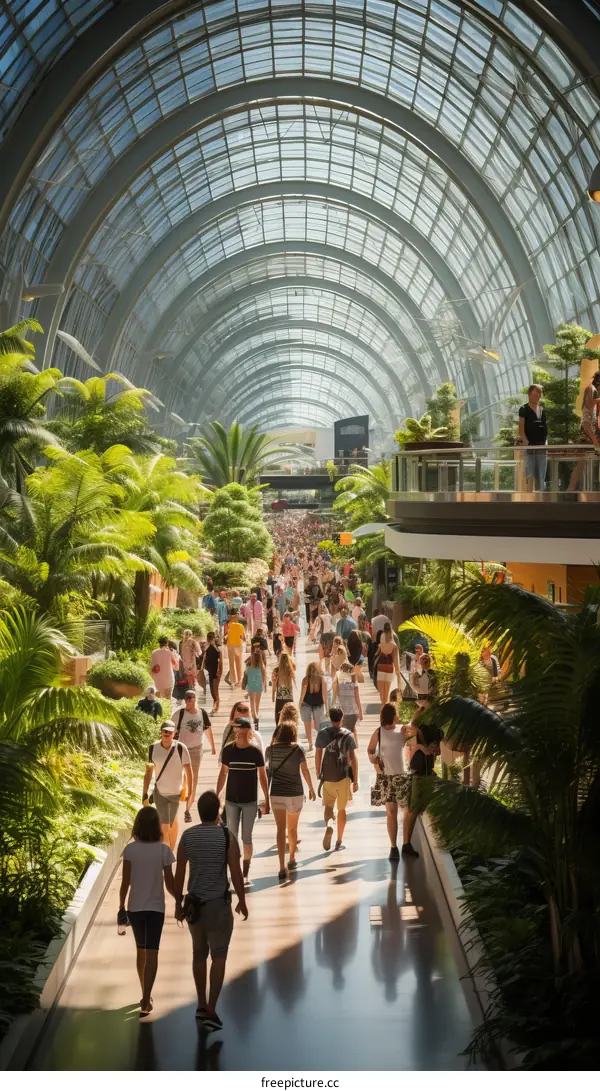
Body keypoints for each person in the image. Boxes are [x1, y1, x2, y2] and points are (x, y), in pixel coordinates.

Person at [174, 790, 248, 1030]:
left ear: (198, 811)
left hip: (194, 907)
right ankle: (211, 1009)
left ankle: (200, 1004)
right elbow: (236, 873)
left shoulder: (187, 837)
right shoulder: (227, 837)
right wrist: (242, 901)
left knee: (198, 954)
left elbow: (180, 873)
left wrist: (178, 903)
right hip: (219, 906)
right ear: (217, 811)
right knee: (219, 955)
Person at [119, 806, 176, 1016]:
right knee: (153, 952)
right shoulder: (163, 850)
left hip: (135, 908)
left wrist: (121, 906)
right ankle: (146, 997)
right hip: (156, 909)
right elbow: (170, 884)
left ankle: (144, 991)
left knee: (140, 951)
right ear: (156, 826)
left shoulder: (130, 850)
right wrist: (180, 900)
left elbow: (125, 882)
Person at [216, 717, 270, 883]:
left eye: (239, 728)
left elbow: (262, 775)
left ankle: (245, 872)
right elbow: (223, 773)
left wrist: (266, 799)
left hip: (249, 802)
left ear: (247, 730)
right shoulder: (228, 750)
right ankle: (234, 872)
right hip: (231, 801)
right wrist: (217, 796)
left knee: (247, 836)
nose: (236, 732)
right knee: (232, 837)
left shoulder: (255, 752)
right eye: (234, 729)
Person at [266, 719, 316, 881]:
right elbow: (305, 770)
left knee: (280, 830)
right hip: (294, 793)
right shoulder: (298, 750)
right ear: (294, 734)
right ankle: (292, 858)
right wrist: (311, 788)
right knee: (292, 829)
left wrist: (265, 796)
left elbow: (268, 773)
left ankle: (281, 867)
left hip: (277, 793)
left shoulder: (270, 750)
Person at [367, 703, 409, 861]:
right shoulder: (378, 732)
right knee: (391, 812)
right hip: (385, 777)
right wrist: (373, 759)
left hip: (401, 776)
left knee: (405, 811)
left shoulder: (402, 730)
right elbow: (370, 749)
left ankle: (406, 843)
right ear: (392, 715)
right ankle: (393, 847)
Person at [142, 721, 192, 849]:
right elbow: (148, 772)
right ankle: (166, 852)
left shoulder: (181, 748)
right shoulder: (153, 748)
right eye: (165, 731)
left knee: (173, 821)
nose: (167, 734)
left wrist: (190, 792)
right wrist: (145, 792)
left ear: (174, 733)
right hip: (160, 792)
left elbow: (189, 771)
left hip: (176, 792)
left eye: (170, 732)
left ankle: (171, 848)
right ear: (161, 732)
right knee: (164, 824)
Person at [315, 707, 358, 852]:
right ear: (342, 718)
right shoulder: (348, 735)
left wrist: (317, 772)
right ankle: (339, 840)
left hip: (328, 777)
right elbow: (353, 758)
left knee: (328, 807)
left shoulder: (322, 734)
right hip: (343, 777)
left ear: (330, 718)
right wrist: (356, 780)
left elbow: (318, 754)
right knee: (341, 810)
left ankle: (329, 825)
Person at [174, 691, 216, 822]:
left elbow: (207, 730)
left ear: (195, 699)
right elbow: (170, 730)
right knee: (178, 777)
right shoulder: (179, 714)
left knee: (194, 779)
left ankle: (187, 810)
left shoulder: (201, 713)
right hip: (181, 749)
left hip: (196, 750)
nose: (188, 701)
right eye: (186, 698)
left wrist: (213, 746)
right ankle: (178, 800)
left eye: (191, 698)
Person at [518, 383, 548, 491]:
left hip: (541, 445)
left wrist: (545, 442)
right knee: (529, 472)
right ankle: (529, 495)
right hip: (530, 446)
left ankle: (540, 495)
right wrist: (526, 442)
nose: (538, 396)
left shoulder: (541, 409)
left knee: (541, 473)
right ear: (530, 394)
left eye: (539, 394)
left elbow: (544, 426)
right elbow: (521, 427)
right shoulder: (524, 409)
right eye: (536, 394)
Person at [299, 660, 328, 751]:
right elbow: (325, 696)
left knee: (307, 726)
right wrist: (327, 709)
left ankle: (310, 743)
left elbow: (302, 695)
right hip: (319, 704)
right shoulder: (322, 680)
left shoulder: (305, 679)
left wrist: (299, 705)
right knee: (318, 726)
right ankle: (318, 744)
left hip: (306, 704)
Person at [332, 660, 363, 743]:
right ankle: (355, 746)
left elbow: (335, 696)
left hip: (343, 712)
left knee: (344, 732)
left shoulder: (338, 685)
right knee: (351, 730)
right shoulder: (354, 685)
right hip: (353, 712)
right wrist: (360, 712)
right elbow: (357, 699)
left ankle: (349, 748)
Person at [374, 622, 401, 706]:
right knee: (387, 693)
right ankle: (385, 709)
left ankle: (382, 708)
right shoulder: (394, 646)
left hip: (381, 666)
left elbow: (375, 655)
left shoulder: (380, 645)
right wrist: (398, 673)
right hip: (389, 668)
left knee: (381, 693)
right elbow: (396, 661)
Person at [245, 645, 267, 728]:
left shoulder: (250, 666)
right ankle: (256, 717)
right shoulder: (262, 667)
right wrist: (264, 685)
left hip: (251, 684)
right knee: (257, 703)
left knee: (252, 702)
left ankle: (254, 717)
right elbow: (264, 676)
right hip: (259, 685)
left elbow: (246, 674)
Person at [202, 631, 222, 713]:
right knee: (212, 690)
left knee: (215, 690)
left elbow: (220, 662)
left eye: (211, 639)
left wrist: (219, 672)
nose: (210, 640)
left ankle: (216, 706)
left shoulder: (216, 649)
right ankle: (215, 705)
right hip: (210, 671)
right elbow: (204, 660)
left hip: (215, 672)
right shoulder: (208, 649)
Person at [225, 609, 245, 687]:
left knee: (231, 663)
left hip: (230, 645)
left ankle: (233, 680)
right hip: (238, 645)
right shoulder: (241, 626)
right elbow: (242, 637)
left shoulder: (229, 624)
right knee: (238, 662)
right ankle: (239, 680)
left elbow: (227, 633)